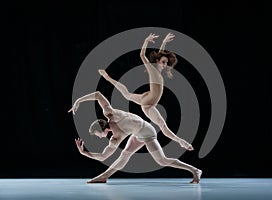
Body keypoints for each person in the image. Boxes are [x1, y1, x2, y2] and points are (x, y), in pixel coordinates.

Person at [68, 91, 202, 184]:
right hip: (137, 134)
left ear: (103, 130)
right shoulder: (115, 138)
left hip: (147, 132)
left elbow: (98, 95)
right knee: (123, 157)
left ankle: (195, 170)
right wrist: (84, 153)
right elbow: (104, 156)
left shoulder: (111, 114)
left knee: (161, 160)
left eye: (98, 135)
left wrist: (78, 101)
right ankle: (103, 177)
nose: (98, 137)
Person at [98, 32, 193, 151]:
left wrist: (163, 42)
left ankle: (107, 77)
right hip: (148, 104)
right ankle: (181, 142)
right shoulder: (152, 70)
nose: (165, 65)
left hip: (147, 97)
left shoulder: (158, 69)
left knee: (127, 95)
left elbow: (160, 55)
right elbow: (142, 55)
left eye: (166, 63)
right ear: (157, 61)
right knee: (162, 125)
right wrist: (146, 41)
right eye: (163, 62)